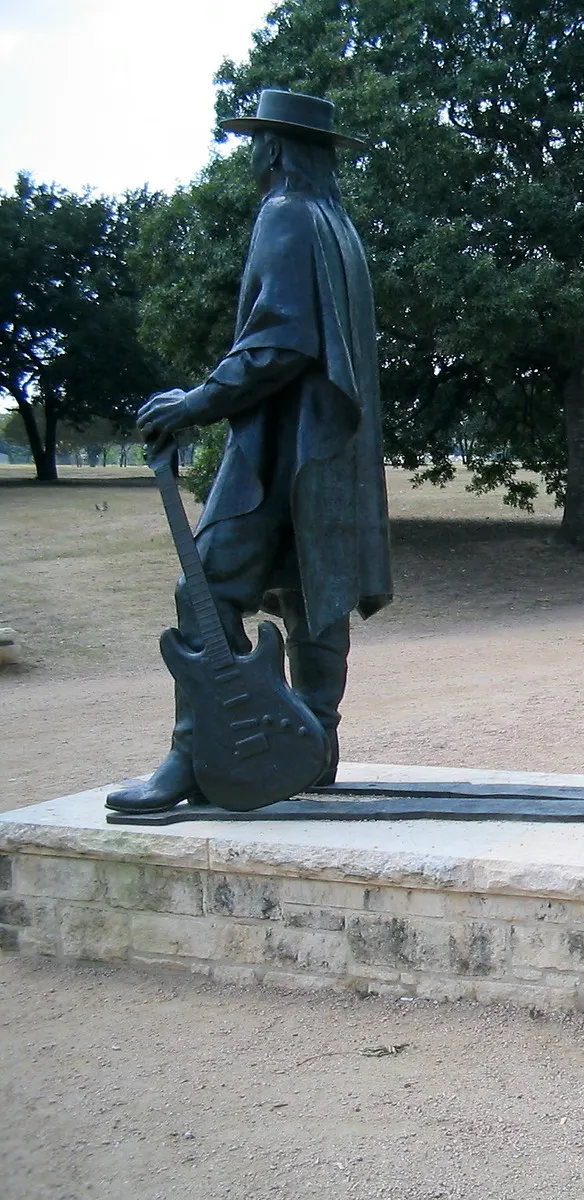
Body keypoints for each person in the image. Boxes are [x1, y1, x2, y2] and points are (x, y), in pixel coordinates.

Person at [108, 90, 392, 813]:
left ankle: (195, 756)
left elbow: (277, 342)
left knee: (202, 589)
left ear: (273, 148)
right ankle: (315, 745)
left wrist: (194, 404)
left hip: (276, 446)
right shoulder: (338, 225)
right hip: (323, 446)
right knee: (313, 592)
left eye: (256, 143)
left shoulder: (286, 214)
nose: (252, 156)